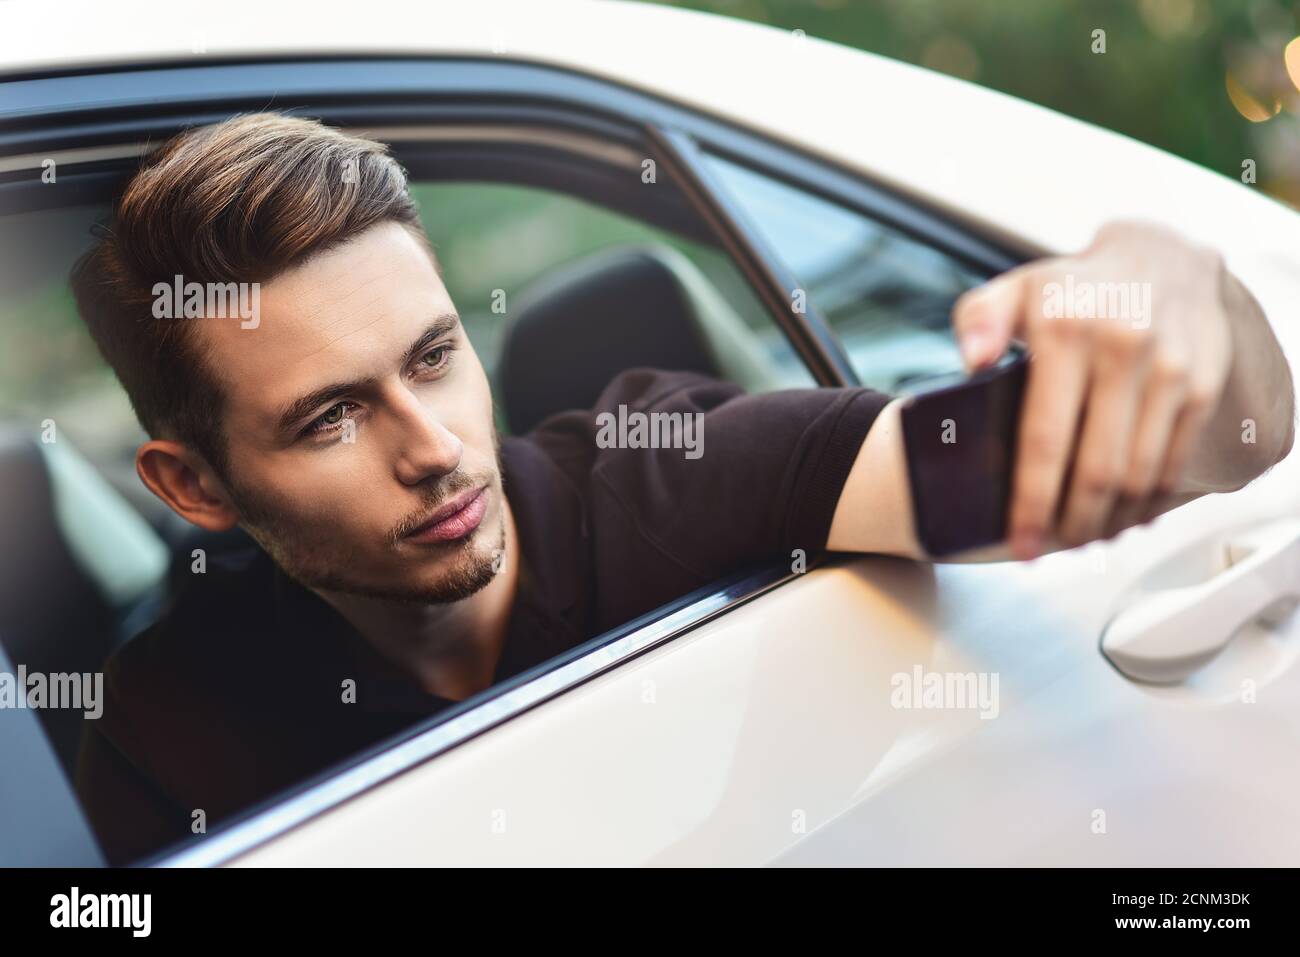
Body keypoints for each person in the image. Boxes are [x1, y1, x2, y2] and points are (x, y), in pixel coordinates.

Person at [69, 113, 1294, 864]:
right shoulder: (167, 721)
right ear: (196, 488)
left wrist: (1168, 284)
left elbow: (1220, 447)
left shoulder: (661, 471)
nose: (435, 447)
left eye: (435, 358)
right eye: (331, 417)